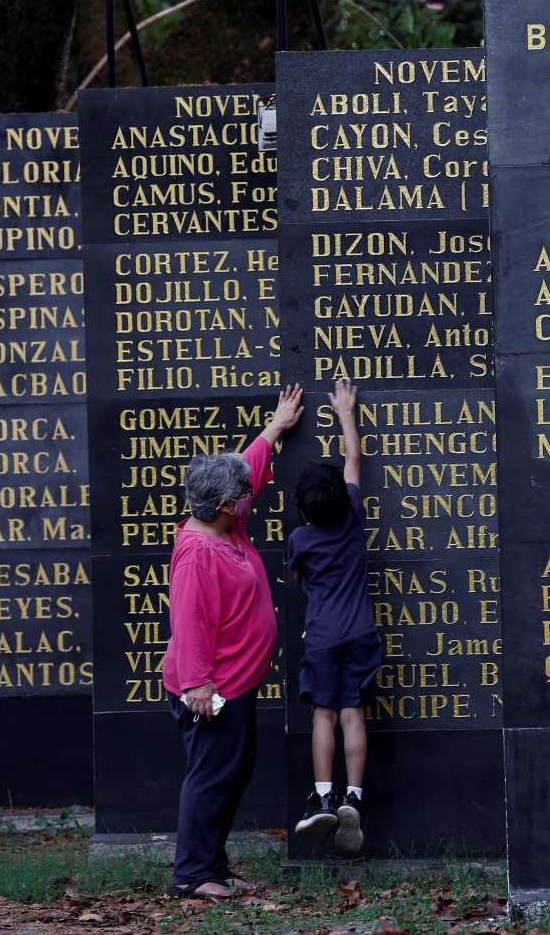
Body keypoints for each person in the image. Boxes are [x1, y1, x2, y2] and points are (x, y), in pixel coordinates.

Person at [164, 384, 303, 900]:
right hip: (211, 689)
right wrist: (197, 685)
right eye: (243, 494)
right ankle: (191, 874)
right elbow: (191, 622)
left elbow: (244, 467)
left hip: (233, 684)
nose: (252, 494)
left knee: (229, 773)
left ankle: (213, 867)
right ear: (226, 505)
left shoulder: (226, 524)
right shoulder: (199, 551)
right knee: (209, 777)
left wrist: (274, 427)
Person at [286, 378, 379, 856]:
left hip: (321, 637)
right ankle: (354, 798)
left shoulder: (302, 540)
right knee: (353, 713)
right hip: (361, 632)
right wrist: (346, 412)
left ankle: (322, 794)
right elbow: (353, 461)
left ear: (304, 508)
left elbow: (301, 581)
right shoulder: (355, 517)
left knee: (323, 712)